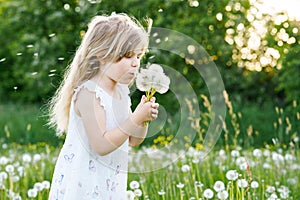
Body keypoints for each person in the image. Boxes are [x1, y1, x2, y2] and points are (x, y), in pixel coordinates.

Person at [47, 13, 159, 199]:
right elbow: (101, 145)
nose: (135, 63)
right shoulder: (89, 94)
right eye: (127, 56)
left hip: (109, 183)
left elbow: (133, 140)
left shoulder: (121, 92)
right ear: (102, 55)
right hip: (84, 185)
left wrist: (143, 121)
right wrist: (136, 118)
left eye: (139, 55)